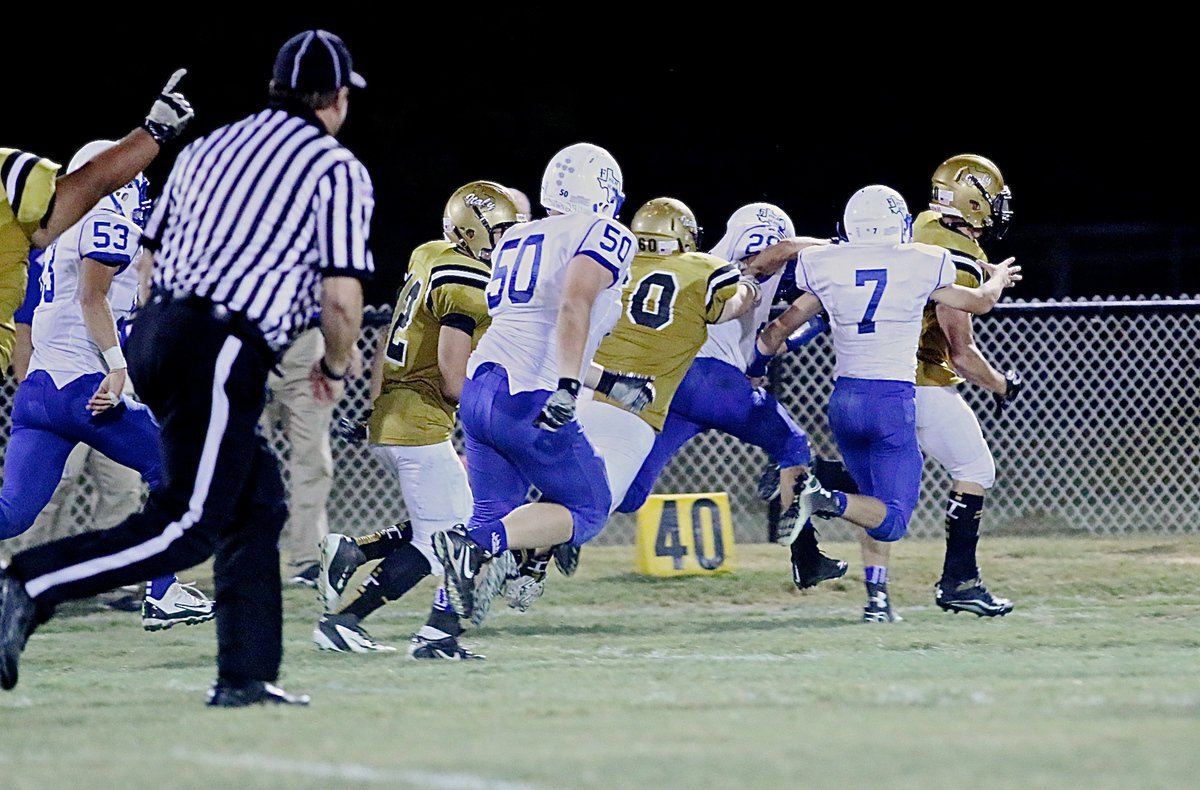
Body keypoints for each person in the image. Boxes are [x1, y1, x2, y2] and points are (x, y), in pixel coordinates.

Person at [0, 30, 374, 706]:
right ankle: (28, 584)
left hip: (161, 332)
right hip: (221, 339)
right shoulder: (332, 166)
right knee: (187, 521)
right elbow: (342, 297)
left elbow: (145, 264)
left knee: (256, 504)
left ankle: (245, 675)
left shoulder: (207, 147)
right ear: (338, 99)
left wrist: (156, 348)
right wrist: (337, 364)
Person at [754, 185, 1020, 622]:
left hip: (844, 399)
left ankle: (876, 599)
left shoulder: (834, 261)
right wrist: (997, 278)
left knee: (872, 497)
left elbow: (781, 326)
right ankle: (958, 580)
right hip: (899, 395)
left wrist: (757, 363)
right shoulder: (922, 260)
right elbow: (976, 315)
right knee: (907, 507)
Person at [502, 197, 761, 610]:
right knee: (593, 506)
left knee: (578, 487)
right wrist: (748, 286)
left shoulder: (613, 261)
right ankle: (489, 542)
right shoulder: (701, 268)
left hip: (580, 388)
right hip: (633, 405)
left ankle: (527, 558)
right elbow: (728, 309)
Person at [432, 142, 653, 621]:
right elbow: (574, 305)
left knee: (491, 513)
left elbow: (534, 329)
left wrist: (608, 383)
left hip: (482, 389)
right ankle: (474, 548)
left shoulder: (517, 236)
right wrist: (570, 388)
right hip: (529, 398)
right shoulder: (603, 232)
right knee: (589, 508)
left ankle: (438, 632)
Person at [0, 140, 214, 631]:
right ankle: (163, 593)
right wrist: (117, 368)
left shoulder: (55, 230)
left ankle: (164, 590)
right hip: (86, 388)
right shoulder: (107, 217)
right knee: (178, 470)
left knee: (12, 513)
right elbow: (92, 298)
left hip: (39, 393)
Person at [314, 180, 527, 659]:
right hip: (419, 422)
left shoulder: (430, 253)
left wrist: (374, 407)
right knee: (449, 540)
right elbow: (454, 379)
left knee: (440, 526)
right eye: (500, 231)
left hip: (398, 412)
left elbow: (394, 332)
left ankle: (355, 556)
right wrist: (506, 411)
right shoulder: (469, 283)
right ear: (475, 233)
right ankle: (364, 624)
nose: (507, 240)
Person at [615, 203, 847, 590]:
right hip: (714, 382)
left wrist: (790, 344)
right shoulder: (745, 264)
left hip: (674, 384)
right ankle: (805, 557)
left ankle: (554, 524)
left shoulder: (699, 262)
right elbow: (770, 258)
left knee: (630, 491)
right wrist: (834, 247)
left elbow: (765, 342)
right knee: (792, 444)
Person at [2, 72, 194, 373]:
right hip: (83, 375)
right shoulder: (7, 173)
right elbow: (93, 183)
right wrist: (154, 132)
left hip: (51, 384)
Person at [914, 154, 1018, 617]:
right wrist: (1002, 385)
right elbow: (962, 352)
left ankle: (817, 482)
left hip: (868, 372)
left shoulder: (923, 223)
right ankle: (960, 581)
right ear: (972, 199)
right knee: (976, 468)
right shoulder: (959, 257)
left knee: (887, 481)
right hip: (919, 378)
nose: (998, 207)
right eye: (992, 198)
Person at [262, 324, 335, 587]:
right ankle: (246, 551)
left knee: (312, 461)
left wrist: (342, 349)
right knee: (241, 461)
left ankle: (309, 558)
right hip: (246, 342)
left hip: (304, 346)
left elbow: (333, 295)